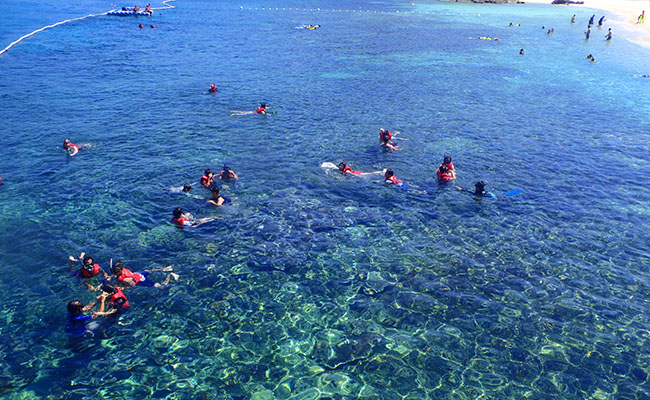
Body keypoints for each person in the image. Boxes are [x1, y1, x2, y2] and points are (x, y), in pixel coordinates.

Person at [111, 261, 178, 288]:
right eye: (114, 270)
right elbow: (116, 274)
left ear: (121, 269)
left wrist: (122, 288)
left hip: (141, 280)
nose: (114, 272)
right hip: (138, 274)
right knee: (148, 271)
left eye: (116, 270)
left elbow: (132, 286)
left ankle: (170, 275)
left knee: (160, 286)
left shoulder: (125, 279)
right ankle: (162, 269)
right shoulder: (122, 271)